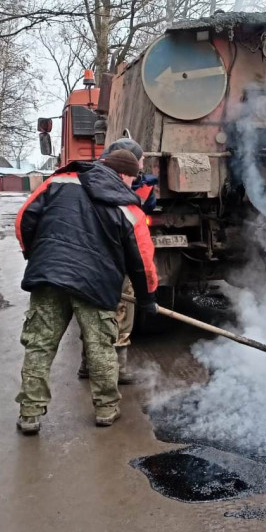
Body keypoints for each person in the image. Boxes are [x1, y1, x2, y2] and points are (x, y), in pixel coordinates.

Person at [14, 150, 158, 434]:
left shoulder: (59, 182)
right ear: (123, 175)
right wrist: (147, 297)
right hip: (95, 284)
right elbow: (141, 258)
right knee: (100, 346)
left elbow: (23, 219)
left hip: (48, 278)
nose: (132, 185)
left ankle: (29, 413)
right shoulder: (127, 208)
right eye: (132, 179)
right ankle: (106, 409)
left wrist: (37, 255)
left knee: (39, 345)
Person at [76, 138, 158, 384]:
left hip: (94, 259)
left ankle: (87, 364)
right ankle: (117, 371)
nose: (142, 164)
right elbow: (140, 241)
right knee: (120, 312)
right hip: (118, 258)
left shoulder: (90, 179)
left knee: (93, 312)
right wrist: (148, 295)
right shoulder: (128, 189)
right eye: (139, 159)